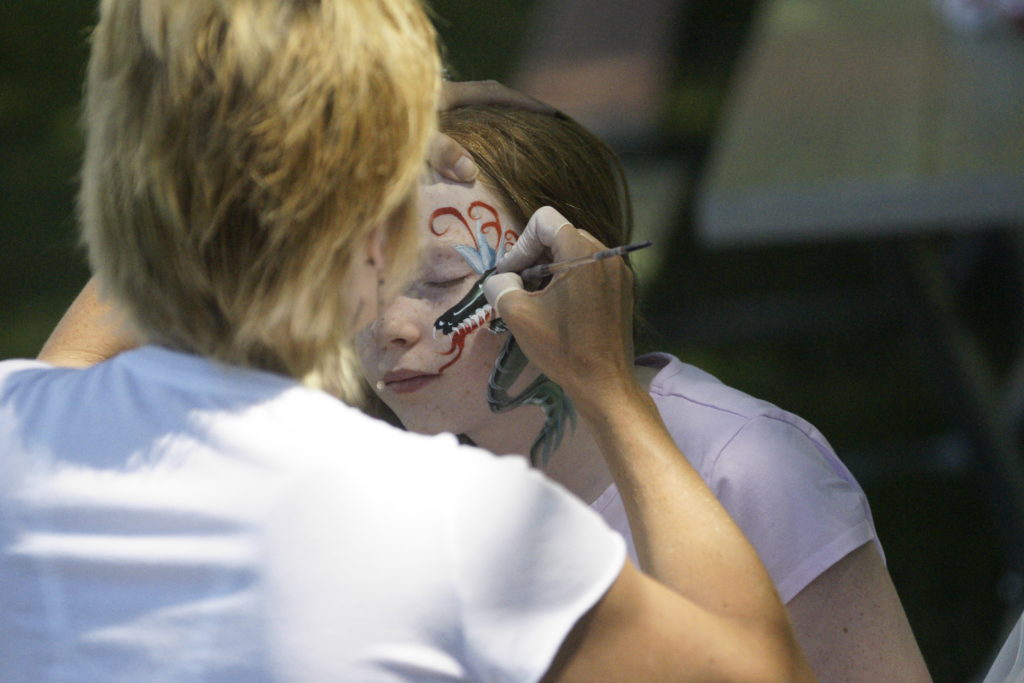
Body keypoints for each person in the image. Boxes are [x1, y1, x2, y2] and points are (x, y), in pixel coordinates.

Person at [1, 0, 813, 680]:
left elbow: (68, 367)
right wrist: (607, 390)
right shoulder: (451, 522)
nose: (397, 320)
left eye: (443, 280)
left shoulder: (19, 430)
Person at [355, 104, 933, 681]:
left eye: (441, 280)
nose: (389, 326)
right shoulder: (403, 508)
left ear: (563, 270)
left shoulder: (744, 469)